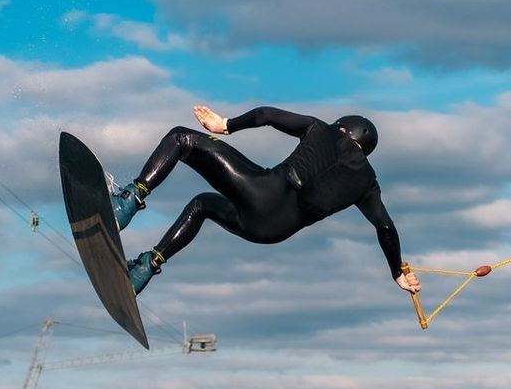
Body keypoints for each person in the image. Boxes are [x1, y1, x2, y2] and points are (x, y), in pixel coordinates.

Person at [110, 104, 421, 298]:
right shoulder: (368, 182)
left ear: (342, 127)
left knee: (182, 138)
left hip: (266, 192)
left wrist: (226, 125)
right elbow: (385, 227)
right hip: (272, 231)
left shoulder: (322, 129)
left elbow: (267, 115)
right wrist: (396, 272)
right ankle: (146, 267)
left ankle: (129, 200)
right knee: (204, 204)